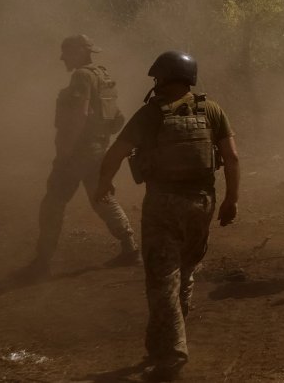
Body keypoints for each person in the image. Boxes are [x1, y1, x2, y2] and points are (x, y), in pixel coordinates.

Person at [94, 50, 241, 382]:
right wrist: (231, 200)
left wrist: (103, 184)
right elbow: (231, 157)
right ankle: (160, 344)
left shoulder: (151, 115)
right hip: (202, 203)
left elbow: (116, 153)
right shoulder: (211, 110)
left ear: (163, 78)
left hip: (163, 205)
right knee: (184, 273)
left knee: (162, 281)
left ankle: (173, 351)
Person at [25, 35, 138, 277]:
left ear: (78, 52)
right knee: (102, 198)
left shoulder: (81, 76)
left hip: (78, 152)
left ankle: (43, 261)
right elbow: (116, 118)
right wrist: (99, 140)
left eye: (65, 51)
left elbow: (79, 115)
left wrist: (66, 151)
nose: (62, 57)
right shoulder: (102, 75)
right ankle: (130, 247)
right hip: (97, 150)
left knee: (53, 203)